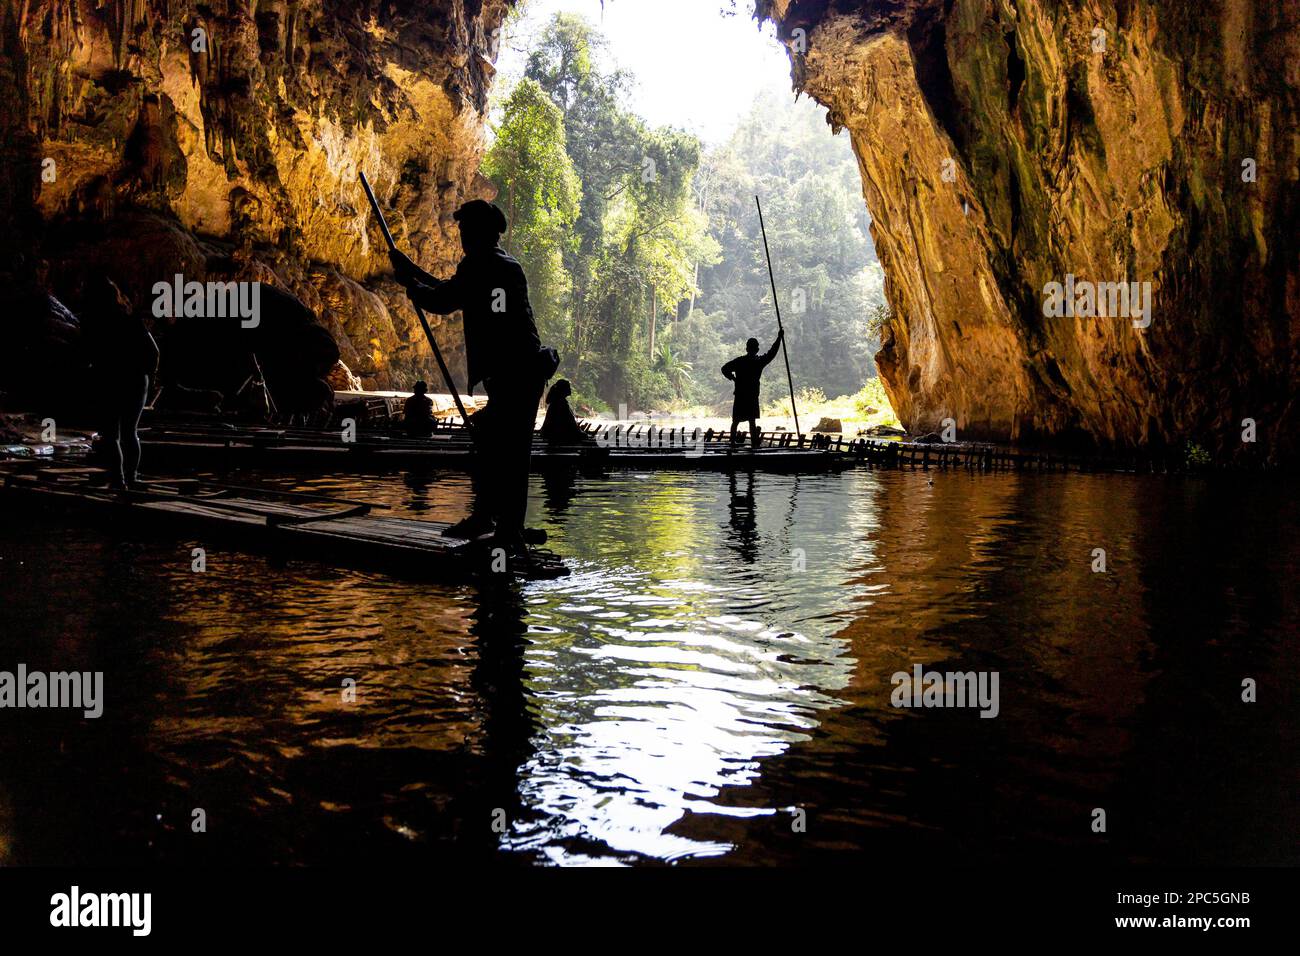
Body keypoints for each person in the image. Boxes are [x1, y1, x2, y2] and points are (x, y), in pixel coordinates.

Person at [388, 200, 550, 551]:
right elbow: (456, 289)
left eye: (465, 230)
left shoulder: (486, 266)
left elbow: (445, 299)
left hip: (517, 376)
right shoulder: (497, 265)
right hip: (517, 375)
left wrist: (410, 283)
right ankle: (492, 521)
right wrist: (411, 271)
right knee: (494, 446)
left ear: (479, 232)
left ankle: (506, 531)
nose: (461, 236)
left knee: (509, 453)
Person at [81, 278, 159, 489]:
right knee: (129, 433)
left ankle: (118, 480)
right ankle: (131, 477)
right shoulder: (129, 318)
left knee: (111, 435)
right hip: (135, 380)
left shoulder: (93, 323)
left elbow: (84, 354)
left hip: (109, 380)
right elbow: (153, 352)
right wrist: (149, 377)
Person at [721, 330, 783, 448]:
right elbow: (772, 353)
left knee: (736, 421)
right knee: (752, 421)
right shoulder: (758, 361)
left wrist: (733, 378)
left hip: (740, 395)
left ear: (746, 349)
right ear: (757, 349)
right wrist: (779, 338)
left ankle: (732, 443)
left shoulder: (739, 361)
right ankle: (754, 444)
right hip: (752, 396)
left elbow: (724, 368)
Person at [540, 379, 591, 445]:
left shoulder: (557, 401)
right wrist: (579, 431)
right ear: (563, 389)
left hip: (552, 435)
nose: (570, 389)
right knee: (584, 437)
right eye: (568, 387)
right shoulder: (560, 403)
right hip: (558, 435)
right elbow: (569, 423)